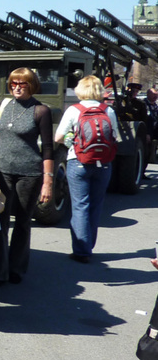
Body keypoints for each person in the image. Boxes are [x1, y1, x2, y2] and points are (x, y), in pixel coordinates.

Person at [0, 67, 54, 288]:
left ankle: (16, 267)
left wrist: (47, 182)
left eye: (23, 84)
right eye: (13, 84)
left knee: (22, 221)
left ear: (32, 85)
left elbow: (48, 148)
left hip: (29, 173)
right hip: (3, 170)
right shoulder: (5, 104)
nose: (17, 88)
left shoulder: (40, 110)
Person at [54, 75, 120, 263]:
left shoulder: (74, 110)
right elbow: (114, 137)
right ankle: (89, 245)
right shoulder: (108, 110)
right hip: (104, 163)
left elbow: (58, 137)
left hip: (79, 162)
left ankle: (82, 250)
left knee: (80, 205)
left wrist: (70, 139)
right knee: (96, 205)